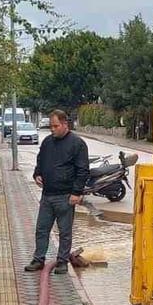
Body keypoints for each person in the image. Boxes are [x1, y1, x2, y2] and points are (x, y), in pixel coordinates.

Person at [25, 109, 88, 275]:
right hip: (47, 195)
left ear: (65, 124)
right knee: (41, 229)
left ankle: (62, 262)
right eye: (51, 126)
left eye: (55, 126)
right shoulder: (47, 142)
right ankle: (39, 259)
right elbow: (40, 161)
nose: (52, 129)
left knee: (64, 232)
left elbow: (83, 170)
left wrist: (76, 192)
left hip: (66, 196)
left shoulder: (77, 144)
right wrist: (37, 174)